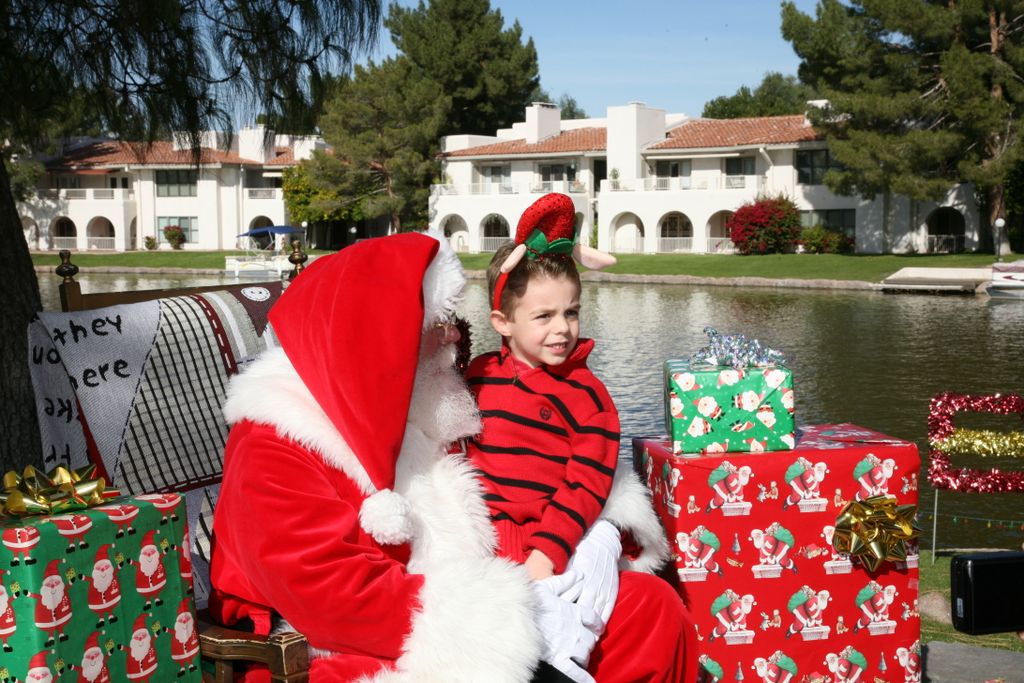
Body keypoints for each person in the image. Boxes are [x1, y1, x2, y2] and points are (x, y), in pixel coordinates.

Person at [208, 229, 697, 683]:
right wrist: (503, 616)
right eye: (436, 325)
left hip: (471, 588)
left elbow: (504, 494)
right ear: (376, 340)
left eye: (452, 323)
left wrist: (564, 549)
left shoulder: (409, 407)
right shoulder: (275, 439)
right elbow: (329, 594)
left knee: (647, 608)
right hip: (366, 644)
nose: (455, 339)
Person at [465, 193, 696, 682]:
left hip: (557, 536)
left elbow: (586, 485)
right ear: (502, 323)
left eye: (571, 312)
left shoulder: (588, 395)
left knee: (645, 605)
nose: (562, 329)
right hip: (486, 534)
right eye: (543, 316)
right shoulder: (478, 377)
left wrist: (547, 552)